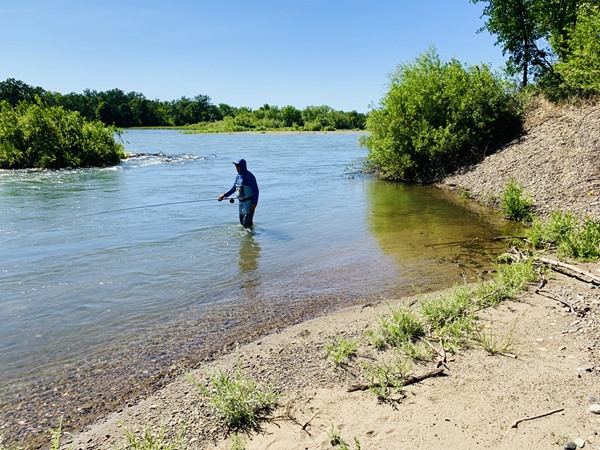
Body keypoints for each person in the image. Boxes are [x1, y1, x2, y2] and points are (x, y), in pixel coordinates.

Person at [218, 158, 259, 228]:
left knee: (247, 224)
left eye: (238, 166)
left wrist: (254, 204)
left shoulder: (249, 176)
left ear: (242, 166)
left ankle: (250, 236)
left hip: (249, 203)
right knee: (242, 223)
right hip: (241, 203)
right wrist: (224, 195)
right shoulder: (238, 176)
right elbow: (234, 188)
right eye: (236, 166)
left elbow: (256, 191)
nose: (236, 167)